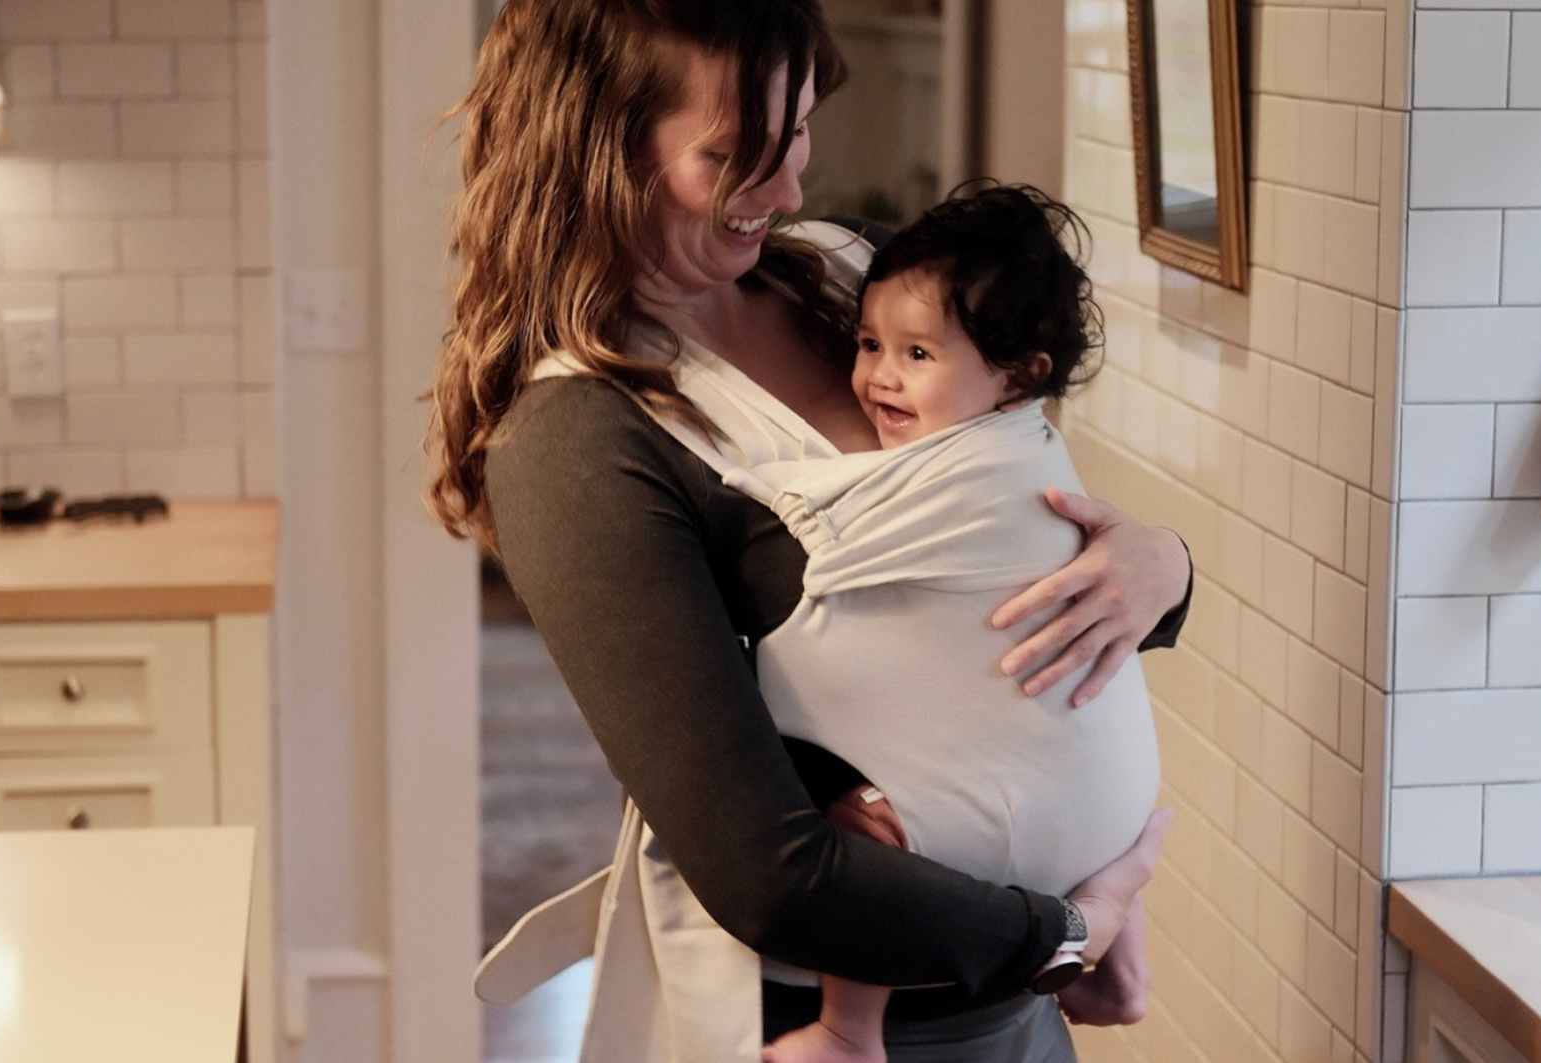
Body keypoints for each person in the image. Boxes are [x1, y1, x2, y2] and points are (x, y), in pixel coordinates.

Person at [425, 2, 1193, 1059]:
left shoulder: (842, 277)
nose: (787, 193)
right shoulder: (578, 437)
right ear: (596, 149)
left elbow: (1001, 540)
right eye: (733, 156)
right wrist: (1065, 933)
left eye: (794, 141)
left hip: (1015, 1013)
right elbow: (768, 870)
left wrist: (1161, 567)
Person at [752, 185, 1160, 1063]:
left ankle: (847, 1030)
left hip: (981, 833)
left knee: (865, 821)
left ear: (1020, 374)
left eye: (918, 352)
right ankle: (1110, 931)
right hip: (1093, 816)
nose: (879, 375)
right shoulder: (1026, 442)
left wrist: (739, 489)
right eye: (869, 344)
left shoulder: (972, 471)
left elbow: (821, 522)